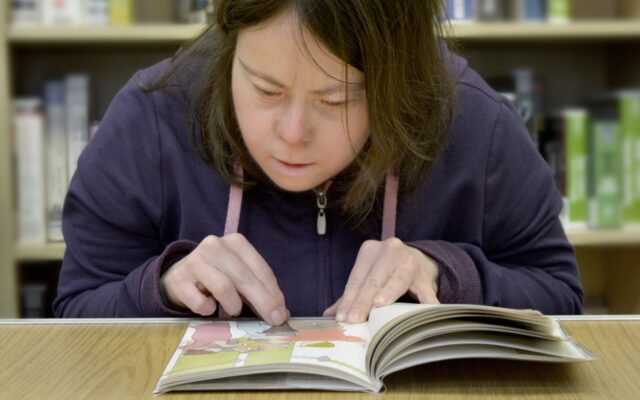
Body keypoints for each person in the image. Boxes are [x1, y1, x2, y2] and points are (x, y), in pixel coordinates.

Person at [53, 0, 583, 323]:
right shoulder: (152, 114)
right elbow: (74, 313)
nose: (291, 134)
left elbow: (561, 298)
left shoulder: (475, 122)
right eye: (264, 88)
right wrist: (162, 286)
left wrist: (448, 276)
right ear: (231, 47)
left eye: (336, 100)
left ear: (397, 80)